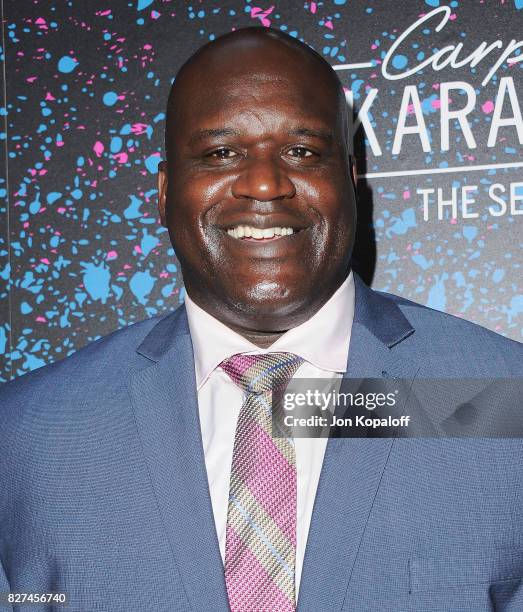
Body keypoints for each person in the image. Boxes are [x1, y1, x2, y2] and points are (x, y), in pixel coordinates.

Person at [0, 27, 522, 612]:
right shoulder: (24, 435)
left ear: (350, 180)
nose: (266, 183)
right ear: (165, 192)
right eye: (222, 153)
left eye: (302, 151)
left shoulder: (504, 398)